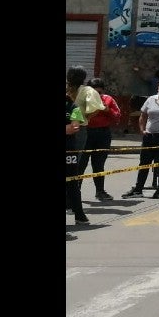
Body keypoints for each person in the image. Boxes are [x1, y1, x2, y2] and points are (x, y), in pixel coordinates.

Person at [124, 79, 159, 199]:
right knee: (144, 164)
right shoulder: (151, 99)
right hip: (149, 136)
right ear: (158, 88)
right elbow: (143, 116)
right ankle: (138, 189)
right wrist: (142, 129)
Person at [78, 78, 121, 201]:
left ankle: (100, 192)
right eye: (93, 92)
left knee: (99, 164)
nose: (97, 95)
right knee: (80, 164)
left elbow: (117, 116)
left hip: (103, 134)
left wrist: (107, 110)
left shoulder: (108, 99)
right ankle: (75, 192)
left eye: (99, 93)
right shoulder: (81, 100)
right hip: (85, 133)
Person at [66, 88, 89, 226]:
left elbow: (74, 128)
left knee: (73, 183)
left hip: (69, 152)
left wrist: (69, 128)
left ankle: (79, 215)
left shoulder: (73, 107)